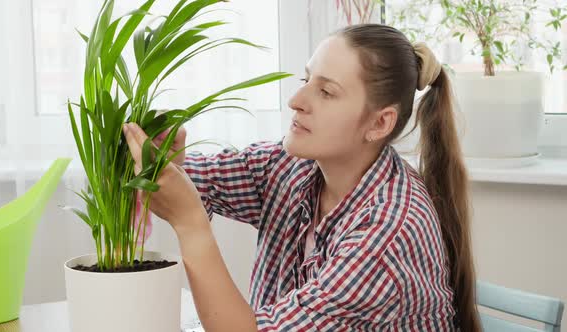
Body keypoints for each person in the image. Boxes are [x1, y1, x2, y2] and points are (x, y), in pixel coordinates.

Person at [122, 23, 480, 331]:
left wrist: (192, 227)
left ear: (379, 123)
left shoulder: (386, 235)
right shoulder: (295, 166)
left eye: (326, 91)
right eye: (306, 80)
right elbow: (200, 181)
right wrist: (168, 162)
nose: (296, 99)